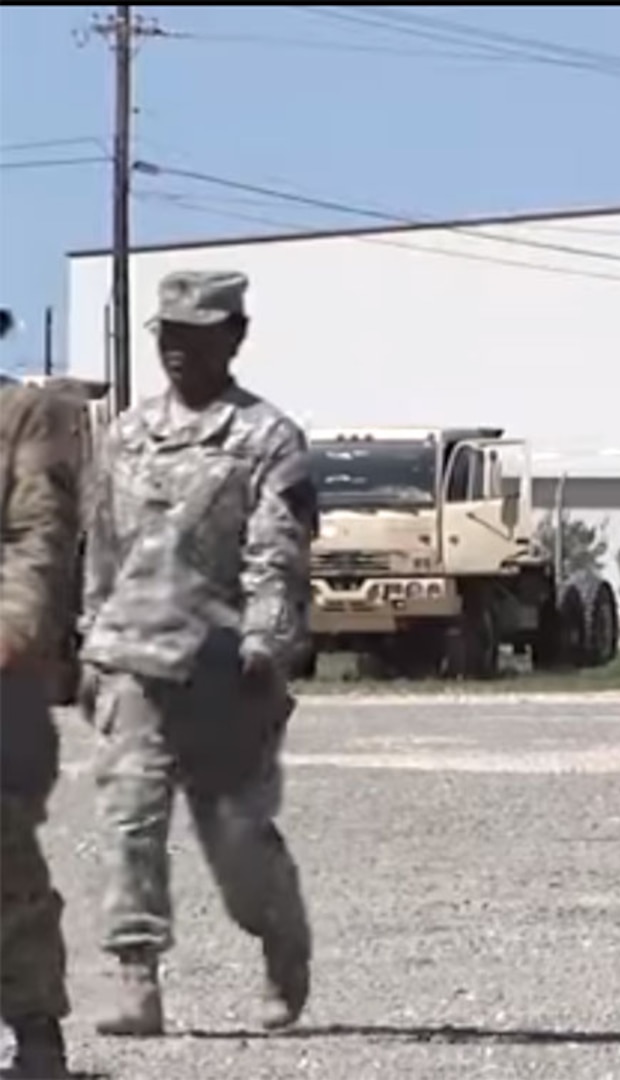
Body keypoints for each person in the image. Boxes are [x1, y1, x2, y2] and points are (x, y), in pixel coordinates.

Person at [79, 270, 317, 1037]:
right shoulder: (125, 434)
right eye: (167, 336)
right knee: (129, 820)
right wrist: (89, 638)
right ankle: (134, 976)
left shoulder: (267, 439)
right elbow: (102, 549)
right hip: (131, 656)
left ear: (235, 337)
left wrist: (266, 642)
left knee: (236, 839)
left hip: (223, 665)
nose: (177, 350)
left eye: (196, 335)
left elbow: (276, 554)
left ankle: (281, 939)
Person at [0, 311, 81, 1079]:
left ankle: (35, 1029)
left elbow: (39, 539)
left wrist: (13, 630)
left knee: (3, 854)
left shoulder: (24, 417)